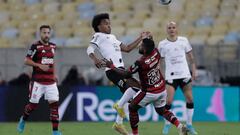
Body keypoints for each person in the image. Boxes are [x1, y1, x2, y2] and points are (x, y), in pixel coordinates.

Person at [104, 38, 188, 135]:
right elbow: (151, 46)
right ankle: (180, 126)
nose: (139, 46)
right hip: (161, 88)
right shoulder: (156, 52)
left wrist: (112, 66)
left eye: (141, 45)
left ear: (144, 49)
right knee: (162, 110)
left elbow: (126, 74)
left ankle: (135, 134)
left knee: (132, 108)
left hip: (149, 92)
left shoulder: (140, 62)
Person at [86, 13, 147, 135]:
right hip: (112, 71)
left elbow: (128, 49)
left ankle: (118, 123)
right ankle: (119, 107)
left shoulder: (113, 37)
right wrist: (95, 59)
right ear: (98, 26)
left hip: (121, 70)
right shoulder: (98, 36)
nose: (109, 26)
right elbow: (89, 49)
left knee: (133, 93)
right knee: (135, 88)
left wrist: (141, 37)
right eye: (105, 23)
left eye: (109, 23)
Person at [17, 25, 62, 135]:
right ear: (40, 34)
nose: (46, 35)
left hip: (51, 82)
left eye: (48, 33)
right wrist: (38, 65)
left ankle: (55, 132)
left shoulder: (53, 46)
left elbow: (51, 61)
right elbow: (26, 61)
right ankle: (23, 119)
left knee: (54, 106)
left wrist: (54, 74)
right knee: (33, 106)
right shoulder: (35, 46)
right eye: (44, 33)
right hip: (38, 82)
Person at [158, 21, 197, 135]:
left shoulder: (184, 41)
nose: (171, 29)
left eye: (173, 27)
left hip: (184, 74)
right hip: (171, 76)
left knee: (190, 99)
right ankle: (167, 125)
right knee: (168, 101)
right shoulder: (162, 44)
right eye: (169, 27)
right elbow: (160, 62)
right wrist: (161, 75)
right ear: (167, 30)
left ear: (177, 29)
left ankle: (189, 125)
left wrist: (194, 69)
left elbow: (191, 57)